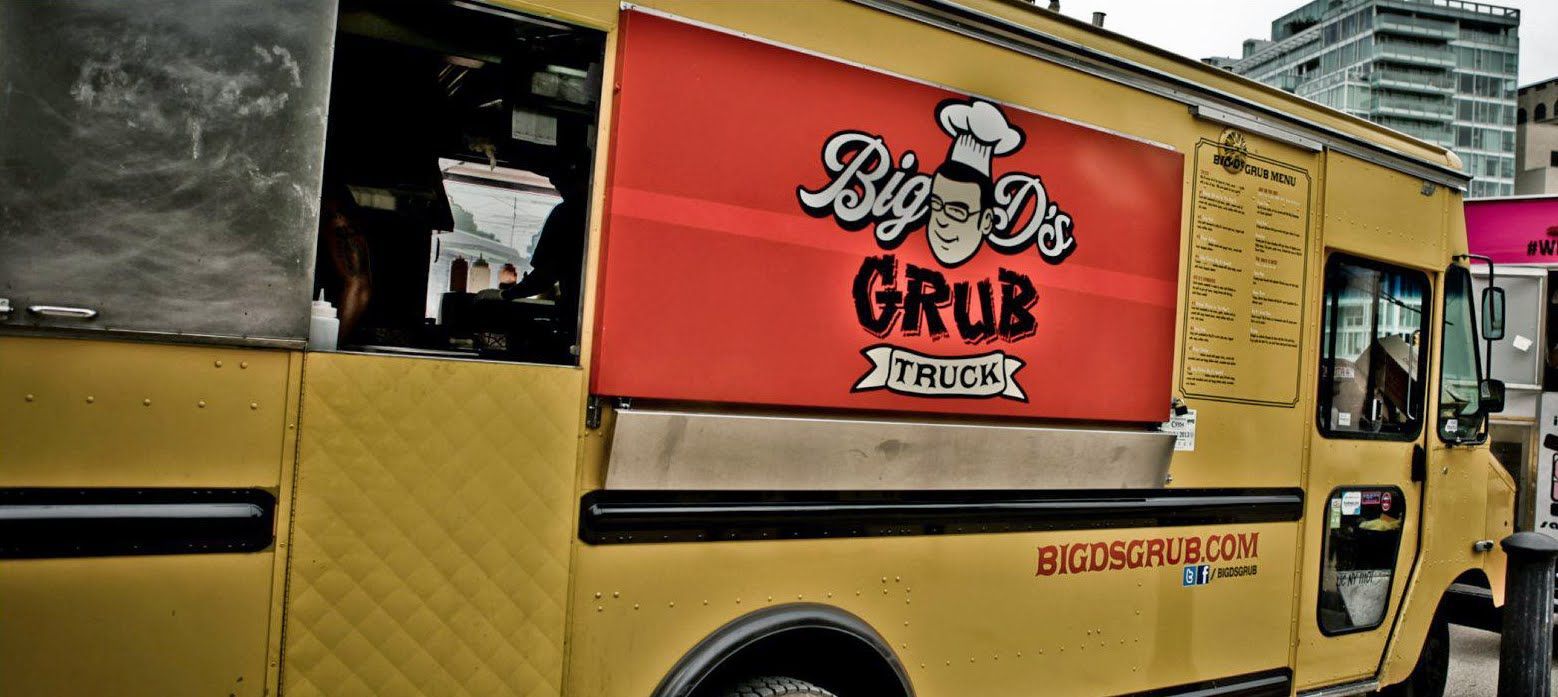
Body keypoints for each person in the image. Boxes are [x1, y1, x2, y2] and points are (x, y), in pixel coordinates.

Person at [499, 152, 591, 350]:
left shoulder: (567, 213)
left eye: (559, 180)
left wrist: (505, 296)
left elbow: (545, 275)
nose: (557, 186)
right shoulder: (602, 213)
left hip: (577, 322)